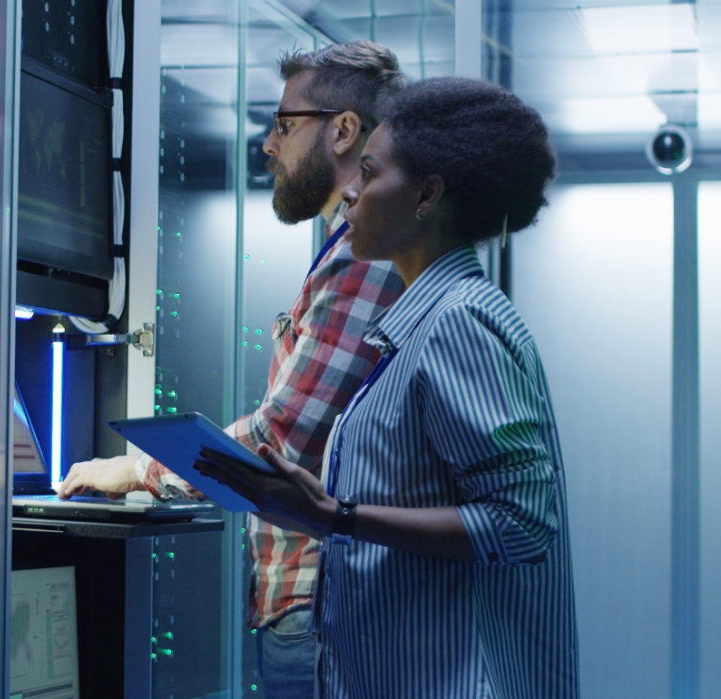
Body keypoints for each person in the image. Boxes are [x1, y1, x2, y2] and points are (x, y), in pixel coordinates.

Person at [196, 77, 580, 698]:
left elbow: (521, 523)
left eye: (369, 174)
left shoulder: (458, 321)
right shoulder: (424, 321)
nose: (349, 191)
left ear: (427, 194)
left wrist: (333, 516)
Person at [57, 42, 406, 696]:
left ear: (342, 130)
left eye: (284, 124)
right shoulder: (348, 250)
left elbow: (279, 440)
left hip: (320, 603)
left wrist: (136, 469)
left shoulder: (363, 257)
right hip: (314, 603)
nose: (270, 145)